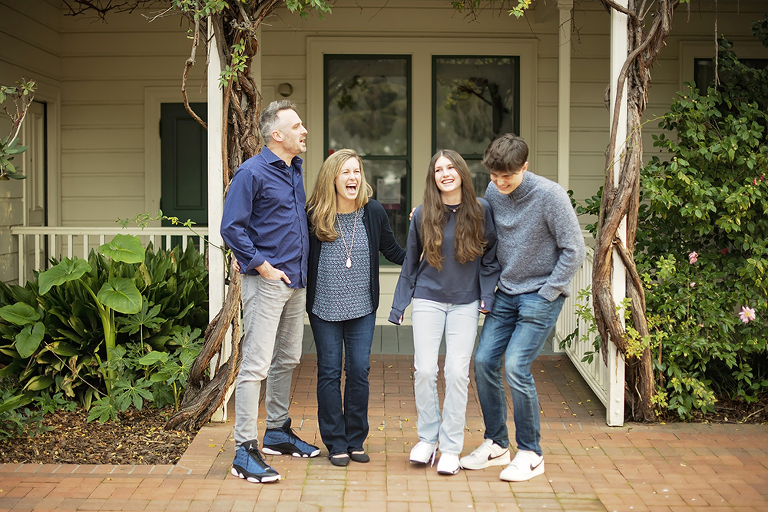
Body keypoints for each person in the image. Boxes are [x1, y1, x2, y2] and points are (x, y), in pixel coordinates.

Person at [459, 134, 586, 482]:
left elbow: (574, 249)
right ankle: (497, 444)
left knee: (516, 366)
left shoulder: (550, 196)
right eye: (495, 176)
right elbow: (482, 237)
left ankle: (531, 452)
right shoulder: (492, 194)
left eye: (508, 177)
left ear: (524, 167)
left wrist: (549, 291)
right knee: (484, 361)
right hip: (505, 293)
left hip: (540, 295)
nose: (500, 183)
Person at [221, 100, 320, 484]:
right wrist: (262, 266)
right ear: (276, 134)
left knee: (288, 359)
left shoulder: (293, 170)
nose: (304, 130)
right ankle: (244, 451)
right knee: (256, 366)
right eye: (297, 125)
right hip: (266, 282)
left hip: (294, 281)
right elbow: (232, 227)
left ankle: (277, 432)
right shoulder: (252, 172)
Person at [389, 150, 500, 476]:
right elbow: (410, 261)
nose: (445, 173)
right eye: (439, 169)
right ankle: (427, 439)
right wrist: (399, 304)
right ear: (433, 177)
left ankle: (450, 447)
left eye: (451, 167)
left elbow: (491, 255)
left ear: (462, 172)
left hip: (465, 302)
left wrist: (486, 294)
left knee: (456, 373)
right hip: (428, 299)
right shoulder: (423, 214)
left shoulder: (481, 210)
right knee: (424, 370)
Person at [306, 148, 406, 467]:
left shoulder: (373, 211)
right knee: (330, 373)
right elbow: (294, 249)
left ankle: (355, 439)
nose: (353, 177)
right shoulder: (315, 213)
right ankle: (335, 442)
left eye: (357, 172)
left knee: (359, 370)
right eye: (346, 172)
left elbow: (391, 249)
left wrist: (424, 255)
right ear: (332, 178)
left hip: (362, 306)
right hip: (324, 308)